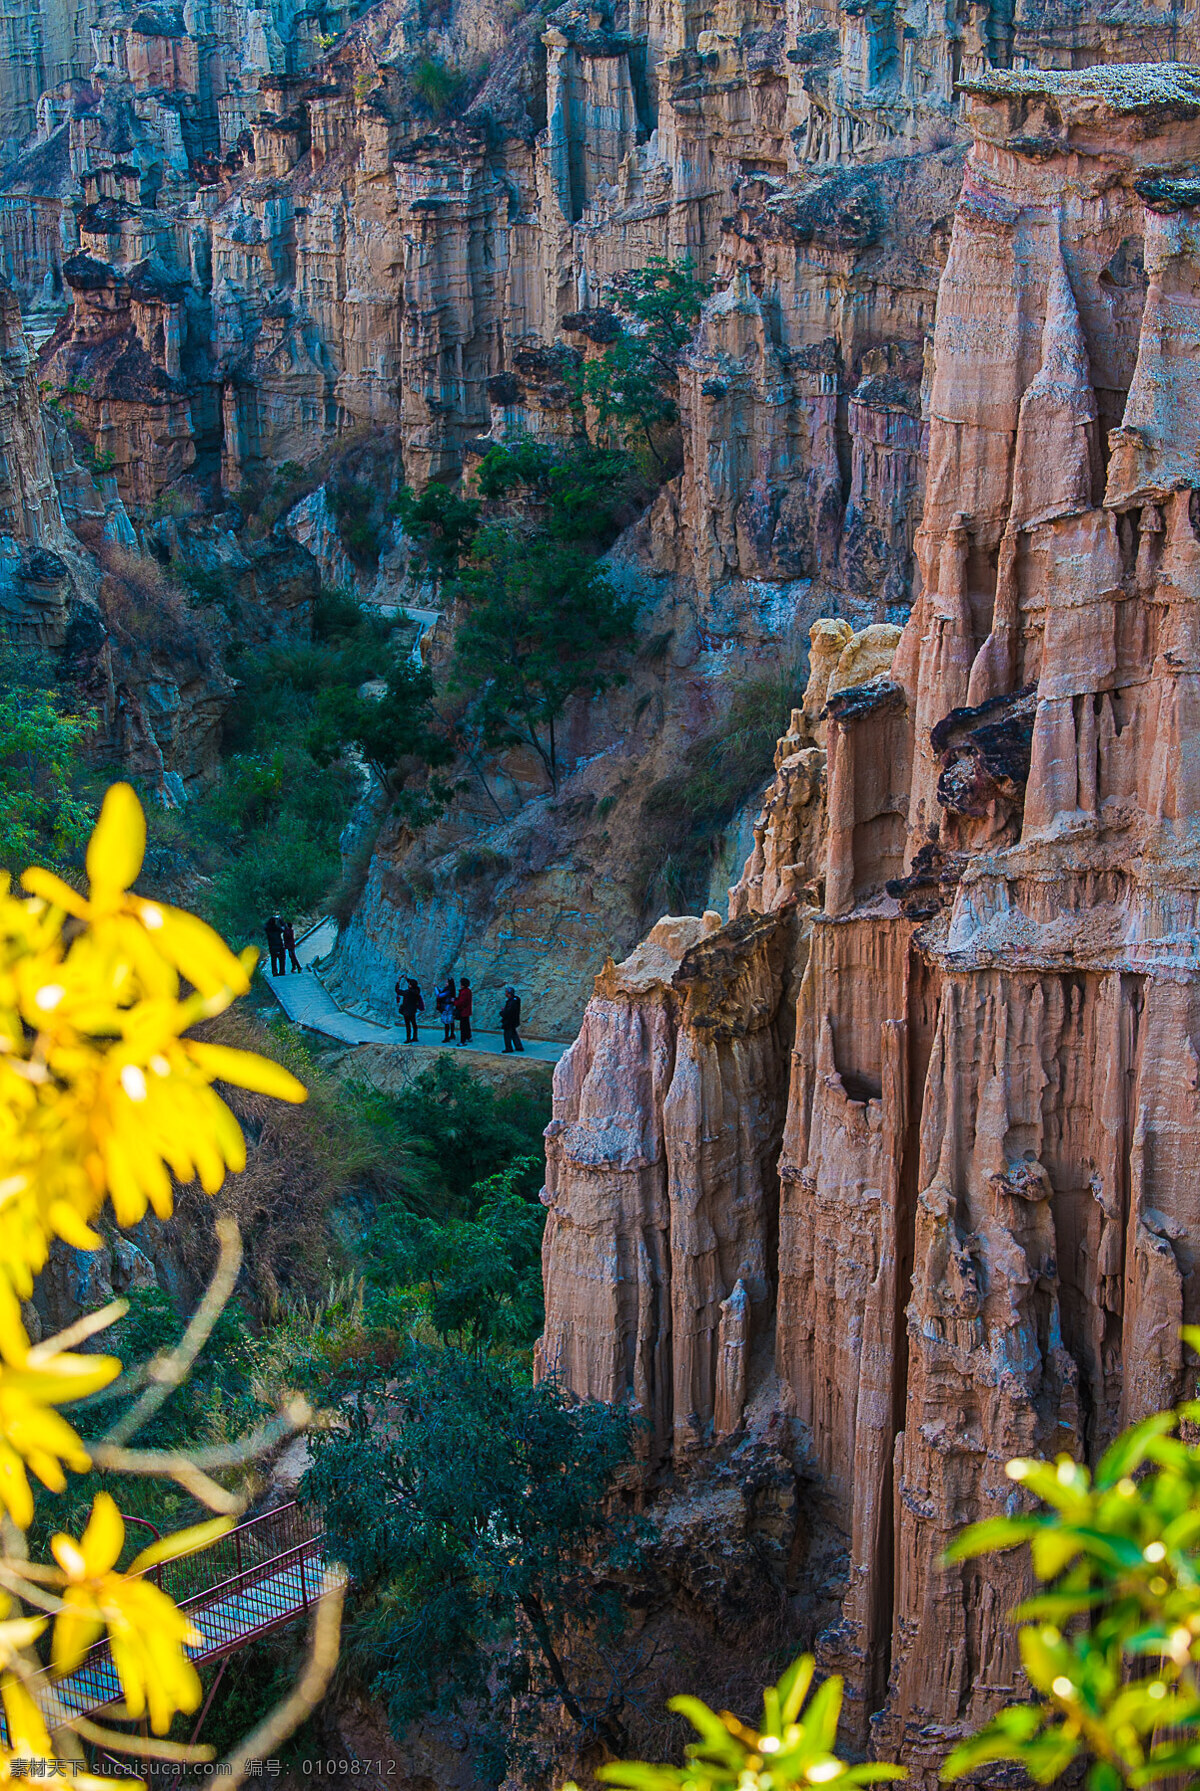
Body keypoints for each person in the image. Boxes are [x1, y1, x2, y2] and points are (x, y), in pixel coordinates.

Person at [397, 977, 424, 1043]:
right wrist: (407, 979)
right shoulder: (417, 990)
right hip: (413, 1010)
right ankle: (415, 1037)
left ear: (410, 985)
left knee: (408, 1025)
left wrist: (398, 981)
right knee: (414, 1024)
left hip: (406, 1011)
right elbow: (414, 984)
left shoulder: (407, 992)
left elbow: (397, 990)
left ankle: (408, 1038)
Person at [500, 985, 523, 1054]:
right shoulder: (516, 1000)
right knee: (514, 1033)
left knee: (507, 1035)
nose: (505, 993)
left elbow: (507, 1013)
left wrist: (502, 1012)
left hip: (509, 1021)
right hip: (514, 1021)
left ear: (509, 993)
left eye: (506, 992)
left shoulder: (511, 1002)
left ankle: (509, 1048)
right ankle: (518, 1046)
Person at [454, 977, 473, 1045]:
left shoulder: (464, 992)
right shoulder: (468, 990)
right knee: (467, 1025)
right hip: (467, 1011)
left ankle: (463, 1041)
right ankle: (468, 1037)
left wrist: (454, 1002)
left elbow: (461, 1002)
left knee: (463, 1026)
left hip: (463, 1011)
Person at [438, 977, 457, 1043]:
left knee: (446, 1022)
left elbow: (439, 995)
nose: (445, 983)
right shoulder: (452, 989)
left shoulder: (448, 990)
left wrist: (435, 988)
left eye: (446, 982)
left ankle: (447, 1037)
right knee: (451, 1021)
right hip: (450, 1007)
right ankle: (452, 1034)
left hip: (446, 1007)